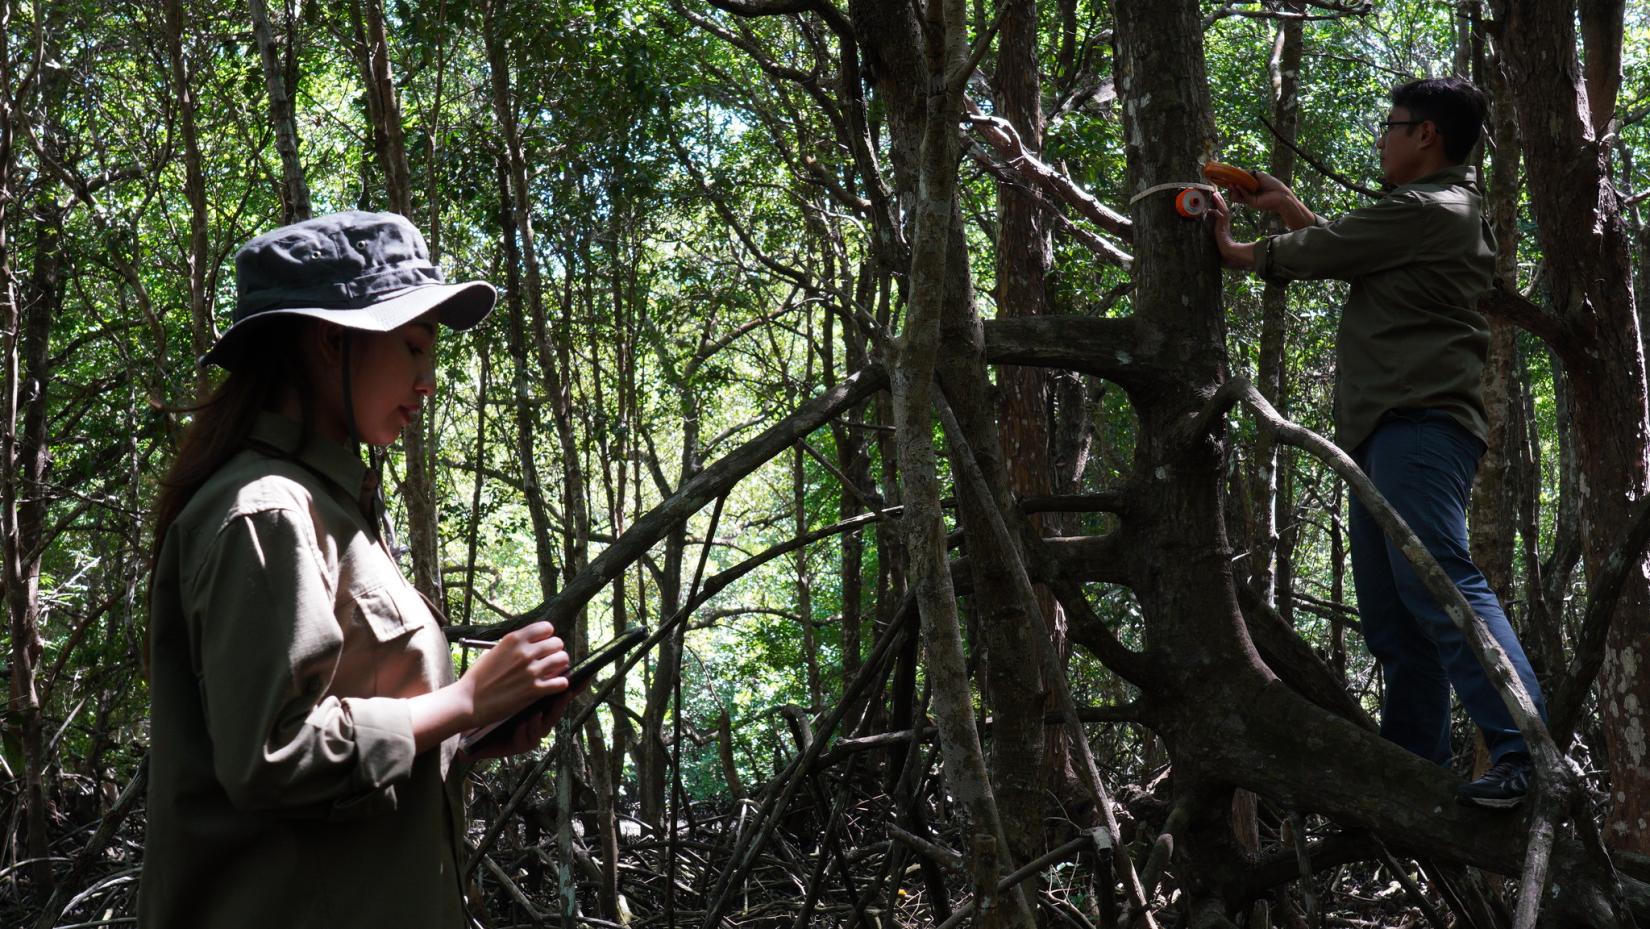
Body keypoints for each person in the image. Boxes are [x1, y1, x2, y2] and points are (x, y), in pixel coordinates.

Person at [139, 211, 574, 927]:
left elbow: (345, 754)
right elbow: (272, 755)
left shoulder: (338, 509)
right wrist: (460, 701)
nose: (427, 380)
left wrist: (467, 733)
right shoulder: (269, 510)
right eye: (411, 346)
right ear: (331, 340)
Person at [1208, 76, 1546, 808]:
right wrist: (1290, 207)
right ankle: (1413, 772)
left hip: (1418, 425)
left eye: (1391, 124)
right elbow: (1359, 251)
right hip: (1384, 433)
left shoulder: (1439, 206)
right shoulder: (1423, 216)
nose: (1382, 137)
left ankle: (1525, 752)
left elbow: (1335, 248)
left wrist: (1239, 250)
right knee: (1395, 619)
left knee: (1440, 582)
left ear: (1426, 134)